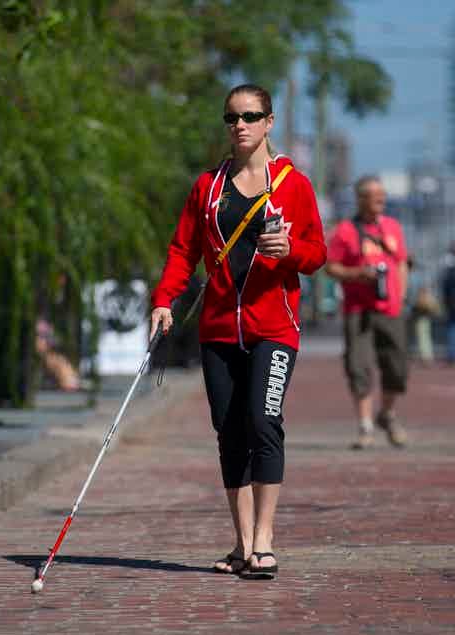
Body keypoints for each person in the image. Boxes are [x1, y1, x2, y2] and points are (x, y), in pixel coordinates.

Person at [149, 84, 326, 579]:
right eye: (232, 117)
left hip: (275, 327)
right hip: (220, 329)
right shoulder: (207, 187)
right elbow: (183, 250)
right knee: (229, 432)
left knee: (263, 421)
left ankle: (265, 541)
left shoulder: (294, 184)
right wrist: (165, 300)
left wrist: (287, 252)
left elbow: (317, 255)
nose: (240, 125)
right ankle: (242, 542)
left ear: (270, 122)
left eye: (250, 116)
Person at [325, 176, 411, 450]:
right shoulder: (345, 231)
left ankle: (386, 414)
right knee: (358, 366)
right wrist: (357, 274)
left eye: (382, 195)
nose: (381, 200)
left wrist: (402, 294)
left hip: (390, 308)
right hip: (357, 309)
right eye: (375, 195)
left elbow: (401, 264)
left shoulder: (393, 227)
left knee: (397, 368)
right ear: (361, 198)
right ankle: (365, 426)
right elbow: (330, 267)